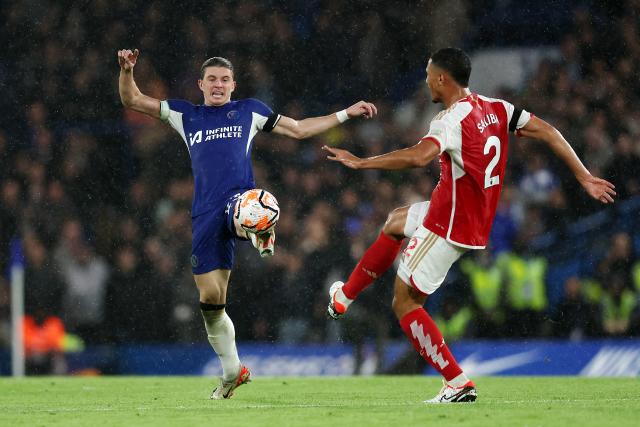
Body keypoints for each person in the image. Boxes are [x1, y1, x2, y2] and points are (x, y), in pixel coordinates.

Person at [324, 47, 616, 403]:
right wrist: (583, 175)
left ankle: (457, 382)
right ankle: (344, 297)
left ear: (443, 79)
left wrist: (362, 162)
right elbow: (549, 130)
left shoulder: (450, 121)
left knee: (404, 304)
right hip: (465, 215)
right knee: (395, 221)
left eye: (429, 74)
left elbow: (419, 157)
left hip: (448, 225)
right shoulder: (497, 108)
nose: (426, 80)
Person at [117, 49, 377, 399]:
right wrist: (127, 70)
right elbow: (131, 99)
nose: (218, 85)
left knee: (256, 205)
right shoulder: (185, 114)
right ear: (201, 85)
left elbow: (298, 130)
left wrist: (347, 113)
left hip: (238, 201)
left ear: (233, 85)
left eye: (224, 80)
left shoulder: (249, 110)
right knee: (211, 302)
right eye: (212, 79)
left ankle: (259, 227)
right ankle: (232, 372)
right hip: (205, 214)